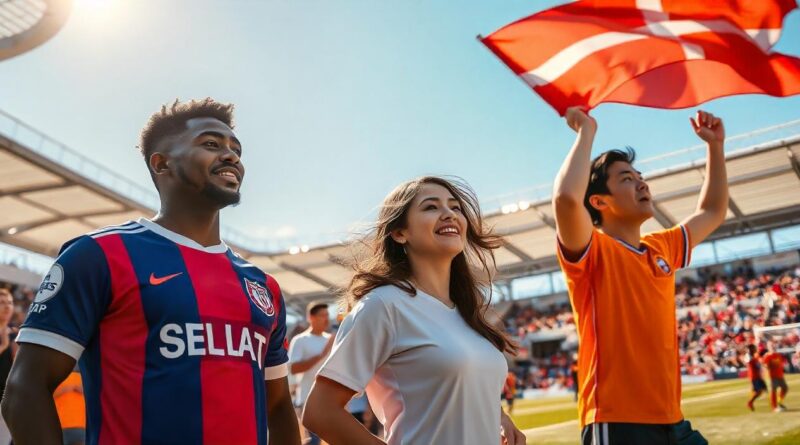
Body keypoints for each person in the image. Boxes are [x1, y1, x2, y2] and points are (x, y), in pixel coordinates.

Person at [1, 99, 301, 445]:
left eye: (236, 149)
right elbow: (26, 389)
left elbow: (278, 407)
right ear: (162, 164)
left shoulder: (262, 285)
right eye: (211, 144)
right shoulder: (98, 256)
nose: (232, 156)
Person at [302, 176, 526, 445]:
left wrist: (499, 417)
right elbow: (320, 411)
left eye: (455, 207)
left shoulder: (467, 312)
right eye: (431, 207)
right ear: (399, 233)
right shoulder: (382, 306)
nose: (449, 214)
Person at [554, 108, 728, 445]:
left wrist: (715, 148)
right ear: (599, 201)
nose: (641, 182)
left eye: (639, 175)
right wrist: (586, 131)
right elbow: (565, 199)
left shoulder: (661, 247)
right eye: (627, 178)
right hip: (619, 423)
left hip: (673, 421)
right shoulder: (593, 251)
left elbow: (712, 211)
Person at [288, 301, 334, 445]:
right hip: (307, 398)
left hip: (330, 400)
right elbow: (293, 368)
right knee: (314, 441)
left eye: (327, 315)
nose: (326, 319)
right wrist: (321, 355)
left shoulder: (332, 340)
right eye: (322, 315)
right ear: (311, 318)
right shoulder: (300, 340)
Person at [0, 289, 16, 445]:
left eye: (10, 303)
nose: (7, 307)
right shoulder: (6, 340)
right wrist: (3, 346)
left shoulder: (17, 335)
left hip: (6, 401)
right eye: (2, 303)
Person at [54, 368, 85, 445]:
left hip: (80, 424)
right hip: (63, 425)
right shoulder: (55, 377)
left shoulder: (83, 377)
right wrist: (69, 388)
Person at [762, 342, 789, 412]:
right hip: (772, 376)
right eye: (771, 345)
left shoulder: (778, 355)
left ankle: (779, 401)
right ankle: (774, 407)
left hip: (780, 375)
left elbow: (781, 364)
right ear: (768, 347)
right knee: (773, 391)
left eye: (774, 345)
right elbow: (765, 365)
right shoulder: (767, 356)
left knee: (785, 388)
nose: (773, 346)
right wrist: (767, 367)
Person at [746, 344, 768, 411]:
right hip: (754, 376)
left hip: (758, 375)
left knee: (764, 389)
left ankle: (751, 399)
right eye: (754, 348)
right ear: (751, 349)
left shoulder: (754, 356)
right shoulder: (748, 356)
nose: (755, 349)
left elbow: (758, 365)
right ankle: (750, 402)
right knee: (759, 391)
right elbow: (749, 362)